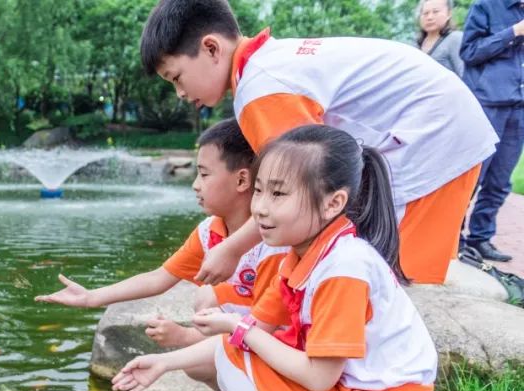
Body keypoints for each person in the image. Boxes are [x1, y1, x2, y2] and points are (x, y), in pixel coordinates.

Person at [113, 125, 438, 391]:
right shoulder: (306, 255)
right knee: (247, 342)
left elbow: (317, 377)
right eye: (260, 190)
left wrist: (239, 330)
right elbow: (255, 329)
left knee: (242, 344)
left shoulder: (344, 269)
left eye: (279, 194)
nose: (260, 208)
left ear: (334, 202)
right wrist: (165, 363)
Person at [139, 0, 498, 285]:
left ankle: (389, 367)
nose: (180, 93)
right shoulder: (269, 66)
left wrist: (231, 249)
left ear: (212, 48)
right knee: (368, 250)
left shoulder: (262, 87)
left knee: (392, 269)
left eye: (176, 77)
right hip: (441, 125)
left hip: (434, 135)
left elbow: (297, 189)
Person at [35, 120, 286, 391]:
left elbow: (268, 325)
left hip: (279, 346)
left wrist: (186, 338)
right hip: (243, 337)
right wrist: (92, 297)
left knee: (204, 314)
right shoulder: (211, 231)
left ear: (242, 181)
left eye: (204, 174)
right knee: (203, 325)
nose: (195, 184)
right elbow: (160, 277)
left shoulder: (272, 243)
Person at [459, 0, 524, 263]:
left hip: (519, 106)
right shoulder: (486, 7)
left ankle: (480, 238)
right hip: (487, 103)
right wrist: (514, 33)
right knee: (472, 175)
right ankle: (454, 237)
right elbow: (470, 52)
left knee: (500, 181)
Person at [417, 0, 464, 75]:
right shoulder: (415, 45)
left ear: (449, 14)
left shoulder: (455, 39)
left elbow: (464, 74)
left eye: (435, 12)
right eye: (425, 13)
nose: (429, 17)